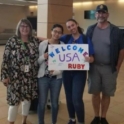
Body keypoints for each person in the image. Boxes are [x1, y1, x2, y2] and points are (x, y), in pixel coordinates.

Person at [86, 4, 124, 124]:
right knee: (95, 93)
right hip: (94, 67)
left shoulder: (115, 30)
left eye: (103, 13)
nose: (101, 15)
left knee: (107, 93)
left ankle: (103, 117)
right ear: (96, 15)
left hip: (109, 67)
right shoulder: (90, 29)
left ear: (107, 14)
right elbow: (84, 47)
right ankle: (96, 116)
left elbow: (121, 50)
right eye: (99, 13)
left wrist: (118, 67)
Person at [1, 18, 41, 124]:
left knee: (27, 100)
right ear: (19, 28)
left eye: (27, 26)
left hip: (29, 76)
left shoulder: (35, 41)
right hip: (14, 76)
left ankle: (24, 120)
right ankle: (11, 122)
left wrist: (38, 37)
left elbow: (49, 41)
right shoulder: (12, 40)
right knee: (14, 102)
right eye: (22, 26)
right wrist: (4, 75)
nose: (25, 28)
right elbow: (5, 59)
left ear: (30, 28)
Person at [60, 19, 94, 124]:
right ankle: (72, 119)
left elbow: (92, 58)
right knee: (69, 97)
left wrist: (89, 59)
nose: (71, 28)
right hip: (66, 73)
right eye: (69, 27)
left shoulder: (85, 39)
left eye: (72, 25)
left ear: (77, 24)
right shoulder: (65, 38)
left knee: (77, 98)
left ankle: (81, 121)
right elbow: (52, 40)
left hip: (79, 73)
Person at [37, 24, 63, 124]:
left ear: (61, 34)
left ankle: (54, 122)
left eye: (59, 32)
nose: (57, 34)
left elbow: (65, 64)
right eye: (55, 31)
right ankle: (41, 122)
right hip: (43, 77)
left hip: (57, 79)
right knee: (42, 102)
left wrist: (57, 71)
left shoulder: (63, 45)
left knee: (55, 103)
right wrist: (43, 57)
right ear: (51, 31)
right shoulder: (43, 44)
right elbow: (38, 61)